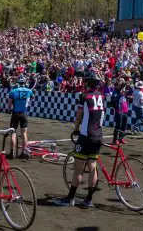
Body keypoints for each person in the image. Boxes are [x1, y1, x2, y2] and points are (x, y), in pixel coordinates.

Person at [53, 71, 105, 208]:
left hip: (86, 135)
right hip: (98, 135)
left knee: (78, 169)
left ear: (87, 83)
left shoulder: (84, 96)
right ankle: (88, 199)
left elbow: (79, 114)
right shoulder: (101, 95)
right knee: (92, 166)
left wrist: (76, 128)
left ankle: (70, 198)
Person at [8, 76, 34, 159]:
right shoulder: (29, 91)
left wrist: (9, 109)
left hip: (15, 113)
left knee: (13, 132)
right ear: (25, 83)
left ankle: (12, 152)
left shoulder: (13, 91)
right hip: (24, 113)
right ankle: (24, 152)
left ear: (18, 83)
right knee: (24, 133)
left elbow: (9, 103)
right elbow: (32, 97)